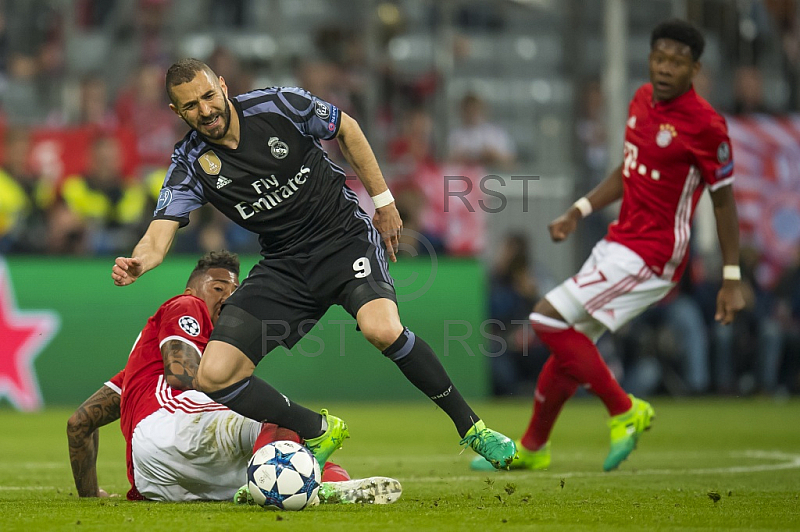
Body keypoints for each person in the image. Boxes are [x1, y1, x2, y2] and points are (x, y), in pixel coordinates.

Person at [111, 59, 515, 470]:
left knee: (382, 329)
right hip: (285, 263)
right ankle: (319, 429)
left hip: (343, 240)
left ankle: (473, 428)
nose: (205, 110)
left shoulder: (278, 104)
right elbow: (160, 233)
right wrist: (139, 262)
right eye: (191, 106)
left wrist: (384, 202)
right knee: (215, 375)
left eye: (209, 96)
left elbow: (347, 128)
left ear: (223, 86)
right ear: (177, 113)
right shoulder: (190, 162)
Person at [472, 19, 745, 472]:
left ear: (695, 68)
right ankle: (534, 447)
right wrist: (579, 209)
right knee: (569, 345)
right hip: (620, 242)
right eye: (659, 57)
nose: (664, 68)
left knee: (545, 318)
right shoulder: (641, 100)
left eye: (677, 62)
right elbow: (628, 169)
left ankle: (623, 409)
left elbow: (725, 203)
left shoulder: (707, 127)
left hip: (654, 253)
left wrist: (732, 277)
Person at [69, 251, 402, 504]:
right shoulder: (186, 304)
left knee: (287, 458)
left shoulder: (141, 368)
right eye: (218, 287)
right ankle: (307, 485)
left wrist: (90, 496)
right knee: (277, 420)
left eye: (235, 290)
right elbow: (181, 375)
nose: (229, 296)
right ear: (192, 288)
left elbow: (80, 423)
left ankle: (328, 489)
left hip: (152, 480)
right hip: (170, 426)